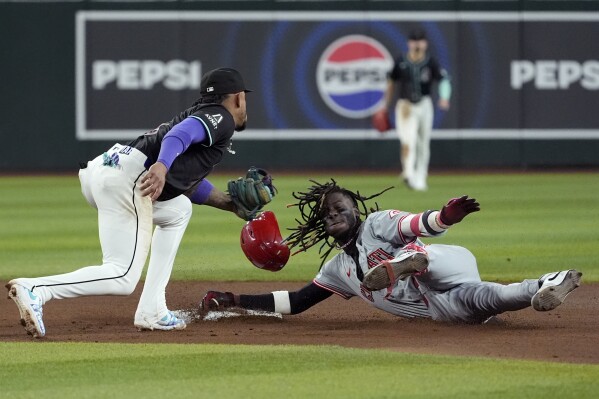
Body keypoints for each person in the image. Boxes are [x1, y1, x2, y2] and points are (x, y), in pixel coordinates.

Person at [6, 67, 254, 337]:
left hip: (106, 169)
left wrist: (229, 204)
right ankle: (37, 290)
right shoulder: (222, 117)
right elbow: (177, 136)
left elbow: (185, 181)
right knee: (122, 276)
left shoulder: (203, 114)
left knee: (178, 210)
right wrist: (160, 165)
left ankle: (153, 309)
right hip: (130, 179)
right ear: (238, 97)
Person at [201, 180, 582, 324]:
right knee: (493, 298)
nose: (334, 213)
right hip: (437, 308)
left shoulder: (376, 224)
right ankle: (547, 284)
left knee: (428, 259)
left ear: (356, 211)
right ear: (322, 223)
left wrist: (445, 216)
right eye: (327, 211)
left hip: (447, 264)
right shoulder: (337, 270)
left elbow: (416, 224)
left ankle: (409, 262)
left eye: (341, 206)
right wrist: (234, 300)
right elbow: (297, 301)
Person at [380, 28, 452, 191]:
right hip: (406, 106)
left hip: (424, 105)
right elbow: (390, 82)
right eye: (414, 41)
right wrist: (385, 105)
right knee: (408, 140)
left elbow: (444, 80)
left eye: (420, 41)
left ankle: (421, 177)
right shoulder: (401, 62)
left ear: (425, 44)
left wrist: (444, 97)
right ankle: (409, 173)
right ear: (409, 43)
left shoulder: (430, 62)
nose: (417, 44)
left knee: (423, 143)